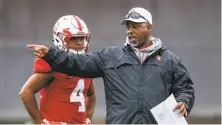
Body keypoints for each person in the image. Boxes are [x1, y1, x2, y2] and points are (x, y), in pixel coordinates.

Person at [27, 7, 195, 124]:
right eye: (129, 26)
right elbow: (78, 63)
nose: (130, 30)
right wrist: (51, 54)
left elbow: (185, 87)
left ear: (149, 27)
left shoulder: (169, 60)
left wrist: (184, 102)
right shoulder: (111, 56)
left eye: (136, 26)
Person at [19, 15, 96, 124]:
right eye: (73, 38)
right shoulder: (54, 65)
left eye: (82, 38)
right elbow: (25, 92)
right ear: (60, 39)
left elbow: (91, 94)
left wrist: (87, 118)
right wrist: (41, 122)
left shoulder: (86, 64)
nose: (79, 42)